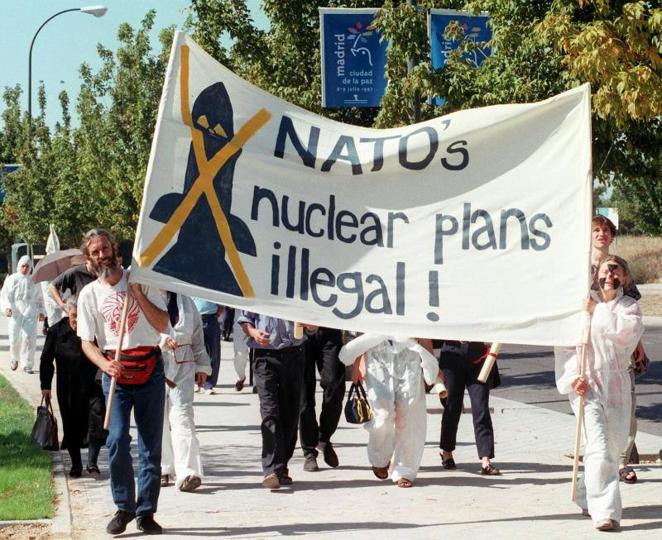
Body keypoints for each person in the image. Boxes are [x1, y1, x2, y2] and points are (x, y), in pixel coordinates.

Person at [76, 229, 168, 536]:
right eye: (95, 253)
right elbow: (87, 342)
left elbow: (162, 323)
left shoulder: (142, 280)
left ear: (115, 250)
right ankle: (124, 506)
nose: (102, 256)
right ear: (89, 260)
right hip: (116, 375)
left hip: (150, 370)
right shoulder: (89, 295)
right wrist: (105, 363)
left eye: (105, 249)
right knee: (115, 440)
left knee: (150, 446)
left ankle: (146, 512)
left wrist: (139, 294)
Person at [555, 255, 643, 531]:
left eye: (617, 271)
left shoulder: (630, 307)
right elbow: (568, 346)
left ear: (625, 278)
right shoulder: (581, 306)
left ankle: (585, 491)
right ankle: (606, 511)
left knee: (612, 447)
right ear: (596, 275)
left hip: (616, 385)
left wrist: (597, 311)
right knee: (601, 448)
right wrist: (572, 379)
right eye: (606, 270)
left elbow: (624, 335)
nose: (611, 275)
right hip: (588, 384)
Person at [591, 215, 647, 484]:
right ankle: (596, 470)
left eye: (605, 230)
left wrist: (637, 343)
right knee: (595, 422)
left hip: (618, 357)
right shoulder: (581, 268)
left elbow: (631, 315)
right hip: (592, 361)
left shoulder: (617, 267)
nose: (601, 235)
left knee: (625, 410)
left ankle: (623, 461)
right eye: (596, 230)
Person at [339, 335, 438, 488]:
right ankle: (380, 458)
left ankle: (404, 470)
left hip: (409, 357)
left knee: (409, 416)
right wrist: (358, 363)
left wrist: (430, 363)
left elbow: (424, 326)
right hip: (378, 357)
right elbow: (361, 324)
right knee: (383, 414)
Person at [237, 312, 314, 489]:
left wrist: (310, 325)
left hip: (294, 354)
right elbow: (245, 320)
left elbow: (313, 324)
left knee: (290, 413)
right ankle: (271, 469)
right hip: (264, 356)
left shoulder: (298, 291)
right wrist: (254, 332)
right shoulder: (259, 289)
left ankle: (282, 466)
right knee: (269, 412)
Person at [40, 297, 106, 477]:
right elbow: (46, 360)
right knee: (71, 425)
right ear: (68, 313)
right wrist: (45, 386)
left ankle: (92, 462)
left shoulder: (95, 329)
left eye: (80, 315)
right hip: (68, 386)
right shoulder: (57, 331)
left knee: (98, 421)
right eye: (74, 315)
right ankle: (76, 464)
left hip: (93, 384)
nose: (77, 320)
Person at [160, 292, 211, 491]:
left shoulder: (186, 301)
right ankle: (163, 468)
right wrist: (161, 339)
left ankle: (188, 472)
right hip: (155, 362)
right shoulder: (147, 294)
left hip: (184, 362)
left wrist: (202, 365)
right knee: (158, 418)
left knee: (183, 416)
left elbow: (198, 335)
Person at [438, 341, 501, 475]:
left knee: (481, 406)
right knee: (452, 406)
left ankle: (486, 459)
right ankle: (447, 452)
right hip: (452, 354)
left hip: (479, 355)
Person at [299, 327, 345, 471]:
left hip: (329, 330)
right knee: (304, 397)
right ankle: (309, 451)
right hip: (300, 334)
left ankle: (324, 438)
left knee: (335, 386)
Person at [1, 255, 44, 373]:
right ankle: (14, 358)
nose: (25, 268)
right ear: (19, 266)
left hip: (30, 312)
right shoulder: (12, 279)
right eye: (23, 266)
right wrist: (7, 308)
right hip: (16, 312)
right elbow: (5, 295)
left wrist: (41, 311)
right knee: (14, 339)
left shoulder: (34, 280)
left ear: (30, 267)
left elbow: (39, 298)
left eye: (27, 266)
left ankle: (27, 364)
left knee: (28, 338)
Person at [191, 297, 223, 395]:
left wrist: (216, 315)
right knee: (194, 351)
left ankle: (209, 383)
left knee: (213, 353)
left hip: (211, 318)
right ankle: (195, 381)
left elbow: (221, 302)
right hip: (195, 318)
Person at [231, 316, 250, 391]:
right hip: (242, 318)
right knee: (240, 354)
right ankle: (241, 377)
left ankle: (257, 384)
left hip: (263, 316)